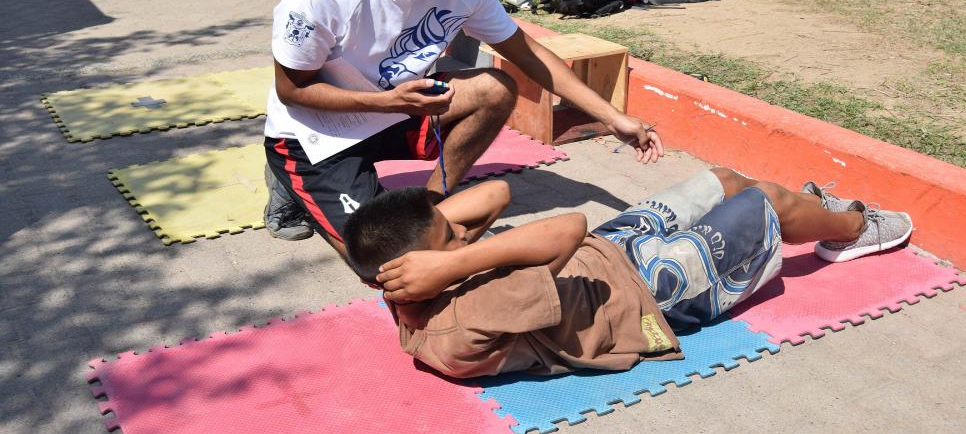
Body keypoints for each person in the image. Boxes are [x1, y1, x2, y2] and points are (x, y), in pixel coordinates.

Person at [263, 0, 662, 254]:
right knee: (387, 260)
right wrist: (388, 102)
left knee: (494, 88)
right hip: (315, 135)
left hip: (399, 111)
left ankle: (431, 206)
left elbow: (528, 52)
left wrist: (612, 118)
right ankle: (289, 184)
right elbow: (292, 90)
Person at [344, 168, 914, 377]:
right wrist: (458, 257)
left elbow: (497, 191)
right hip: (646, 296)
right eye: (452, 238)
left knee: (724, 179)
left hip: (609, 251)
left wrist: (443, 247)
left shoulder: (414, 275)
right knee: (767, 200)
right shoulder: (457, 324)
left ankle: (813, 213)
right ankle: (852, 228)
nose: (466, 234)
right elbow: (567, 226)